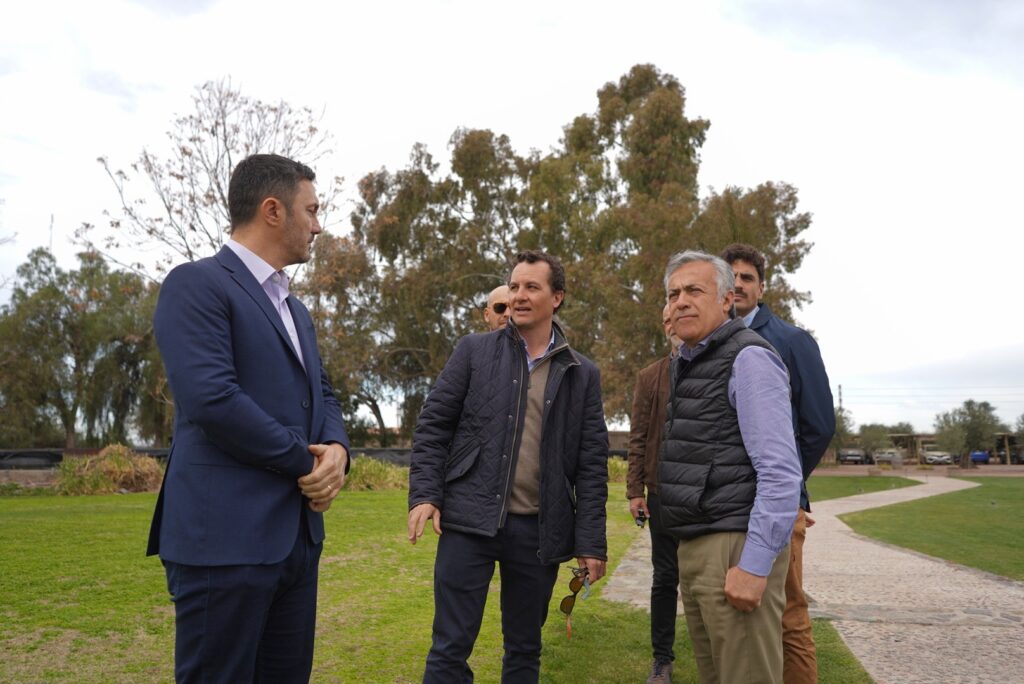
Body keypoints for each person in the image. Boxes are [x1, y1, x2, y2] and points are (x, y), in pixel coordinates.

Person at [148, 153, 350, 683]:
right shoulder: (196, 284)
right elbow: (212, 400)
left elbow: (322, 392)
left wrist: (337, 450)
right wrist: (306, 462)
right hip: (224, 542)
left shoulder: (295, 308)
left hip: (297, 542)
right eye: (312, 210)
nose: (318, 225)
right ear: (272, 210)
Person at [407, 250, 609, 683]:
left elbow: (592, 465)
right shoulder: (473, 352)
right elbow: (433, 426)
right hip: (469, 521)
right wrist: (425, 494)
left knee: (524, 650)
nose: (518, 296)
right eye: (514, 286)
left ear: (557, 297)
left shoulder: (582, 374)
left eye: (531, 287)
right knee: (449, 647)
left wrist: (591, 543)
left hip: (539, 532)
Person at [658, 250, 802, 684]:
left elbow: (780, 472)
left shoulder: (748, 358)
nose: (681, 301)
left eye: (694, 290)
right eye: (673, 294)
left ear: (726, 300)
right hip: (698, 545)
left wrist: (754, 565)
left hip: (736, 547)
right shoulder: (691, 360)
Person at [721, 243, 835, 684]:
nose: (738, 285)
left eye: (747, 278)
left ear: (762, 288)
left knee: (788, 613)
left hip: (776, 507)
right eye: (731, 277)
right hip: (725, 506)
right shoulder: (711, 342)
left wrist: (785, 484)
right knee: (736, 610)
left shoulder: (791, 341)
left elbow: (818, 425)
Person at [627, 303, 682, 684]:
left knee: (706, 580)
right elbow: (638, 437)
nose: (671, 324)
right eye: (665, 320)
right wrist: (635, 491)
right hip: (661, 495)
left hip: (707, 497)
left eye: (676, 316)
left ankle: (717, 654)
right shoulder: (650, 377)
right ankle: (662, 659)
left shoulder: (721, 367)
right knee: (665, 578)